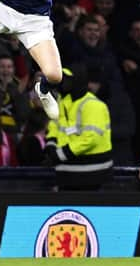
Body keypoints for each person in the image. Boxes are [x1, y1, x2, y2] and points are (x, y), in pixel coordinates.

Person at [43, 63, 113, 191]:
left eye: (66, 79)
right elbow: (55, 126)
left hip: (93, 174)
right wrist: (51, 144)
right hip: (67, 173)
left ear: (77, 80)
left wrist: (60, 154)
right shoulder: (62, 102)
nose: (62, 82)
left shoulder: (92, 104)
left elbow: (91, 138)